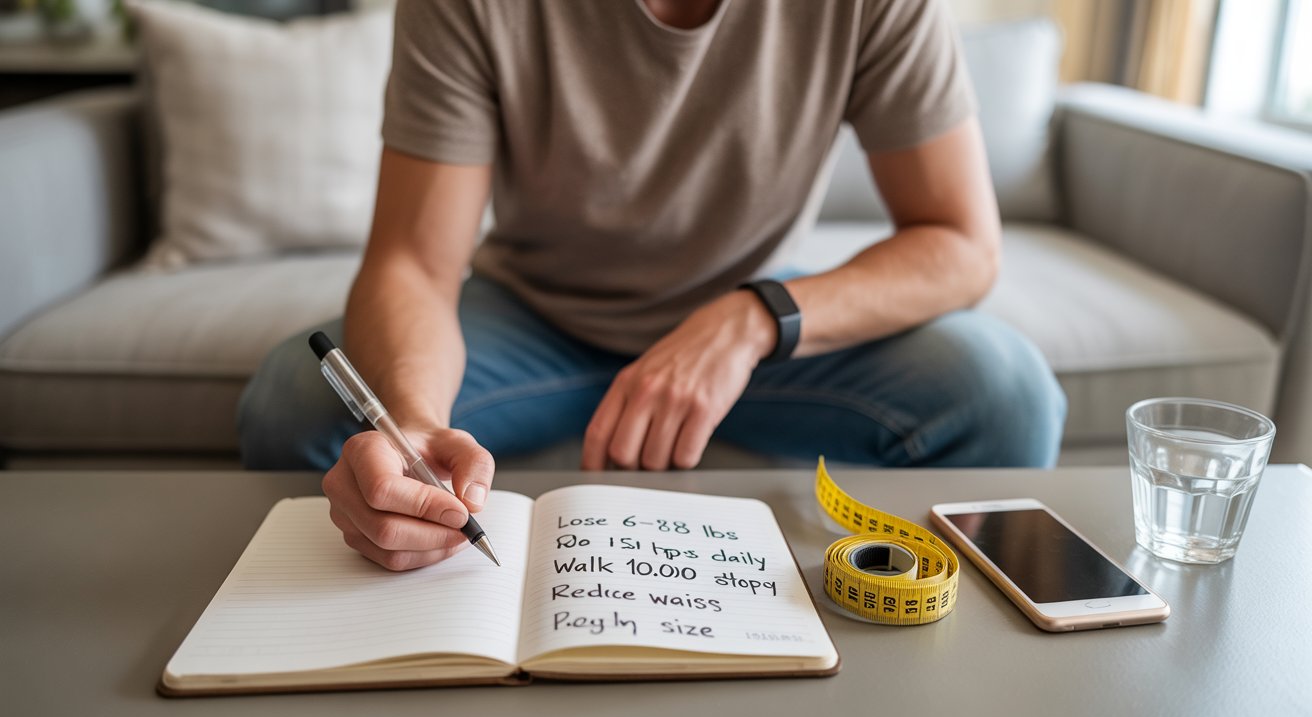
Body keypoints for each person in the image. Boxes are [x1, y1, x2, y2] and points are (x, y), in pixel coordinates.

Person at [238, 0, 1066, 570]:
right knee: (292, 402)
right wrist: (414, 430)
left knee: (1006, 395)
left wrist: (751, 320)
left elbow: (961, 243)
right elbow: (415, 260)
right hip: (534, 318)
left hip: (755, 326)